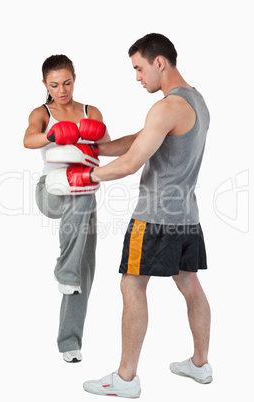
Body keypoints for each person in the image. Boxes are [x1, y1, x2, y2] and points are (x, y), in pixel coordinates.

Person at [76, 33, 212, 397]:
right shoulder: (194, 101)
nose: (137, 77)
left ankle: (126, 378)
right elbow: (142, 139)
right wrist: (97, 148)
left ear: (159, 62)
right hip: (187, 216)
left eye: (139, 68)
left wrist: (85, 175)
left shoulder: (166, 107)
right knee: (190, 285)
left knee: (132, 285)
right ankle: (200, 365)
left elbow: (134, 161)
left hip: (154, 219)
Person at [23, 54, 110, 363]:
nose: (62, 90)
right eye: (54, 84)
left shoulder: (91, 111)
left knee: (84, 268)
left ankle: (69, 343)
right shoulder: (43, 113)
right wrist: (51, 134)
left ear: (75, 77)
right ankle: (66, 270)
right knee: (82, 196)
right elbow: (28, 139)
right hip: (52, 191)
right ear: (45, 84)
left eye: (67, 83)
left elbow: (106, 146)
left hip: (82, 194)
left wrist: (143, 138)